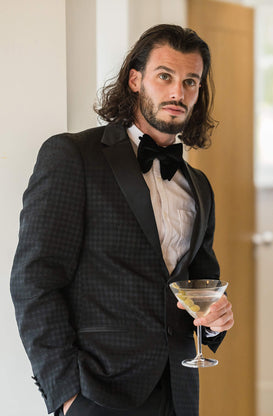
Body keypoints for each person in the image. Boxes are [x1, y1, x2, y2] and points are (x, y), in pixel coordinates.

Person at [10, 24, 234, 416]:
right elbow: (35, 280)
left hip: (179, 391)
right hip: (97, 391)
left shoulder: (199, 185)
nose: (177, 93)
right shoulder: (72, 156)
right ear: (135, 79)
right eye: (165, 76)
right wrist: (65, 394)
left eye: (191, 82)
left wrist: (215, 320)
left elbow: (200, 283)